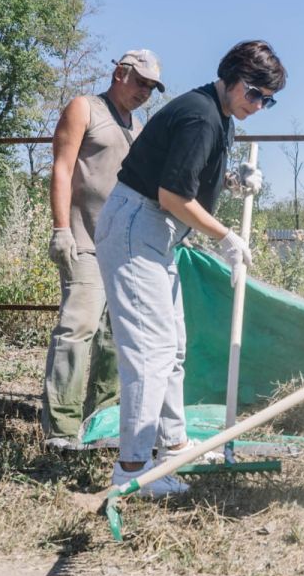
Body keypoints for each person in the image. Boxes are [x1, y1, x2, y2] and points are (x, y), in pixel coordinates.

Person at [95, 40, 286, 497]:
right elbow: (172, 196)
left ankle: (173, 445)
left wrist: (236, 178)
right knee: (149, 353)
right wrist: (225, 237)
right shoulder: (201, 116)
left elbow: (191, 175)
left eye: (268, 99)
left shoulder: (218, 115)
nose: (259, 106)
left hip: (155, 232)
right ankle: (133, 469)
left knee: (172, 347)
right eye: (255, 94)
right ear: (234, 78)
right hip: (138, 225)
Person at [42, 50, 164, 449]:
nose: (145, 92)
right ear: (119, 73)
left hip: (123, 246)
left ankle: (102, 421)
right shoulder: (85, 108)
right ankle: (60, 429)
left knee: (115, 338)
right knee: (77, 330)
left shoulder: (139, 126)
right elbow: (62, 167)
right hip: (83, 241)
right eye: (140, 82)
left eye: (151, 87)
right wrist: (61, 229)